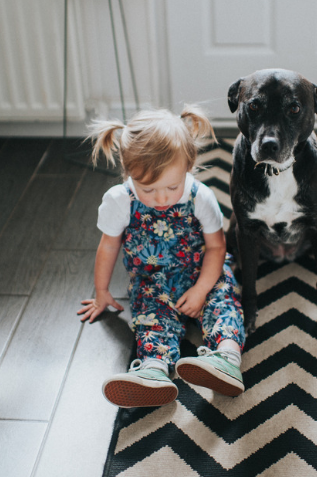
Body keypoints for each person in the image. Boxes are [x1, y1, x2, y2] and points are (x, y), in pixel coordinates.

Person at [78, 105, 246, 408]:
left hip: (201, 273)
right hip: (153, 282)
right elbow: (108, 247)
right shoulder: (120, 200)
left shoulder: (200, 196)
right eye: (148, 189)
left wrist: (201, 289)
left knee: (223, 301)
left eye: (171, 186)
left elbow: (217, 248)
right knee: (150, 319)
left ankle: (226, 357)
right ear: (128, 174)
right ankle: (154, 371)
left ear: (188, 168)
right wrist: (102, 292)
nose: (161, 198)